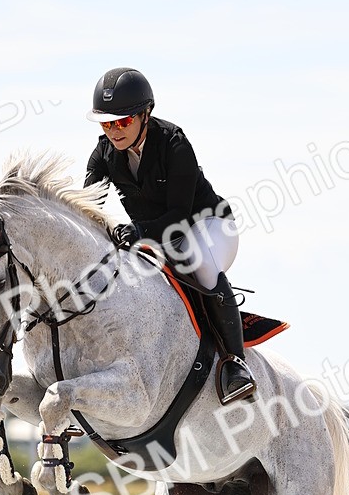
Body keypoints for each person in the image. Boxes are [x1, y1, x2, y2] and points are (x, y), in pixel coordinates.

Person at [85, 66, 256, 404]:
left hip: (206, 226)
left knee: (200, 263)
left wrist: (137, 231)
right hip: (155, 238)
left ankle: (236, 365)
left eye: (121, 122)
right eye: (107, 123)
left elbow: (179, 215)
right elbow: (89, 204)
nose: (114, 131)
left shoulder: (174, 143)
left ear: (145, 115)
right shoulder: (104, 153)